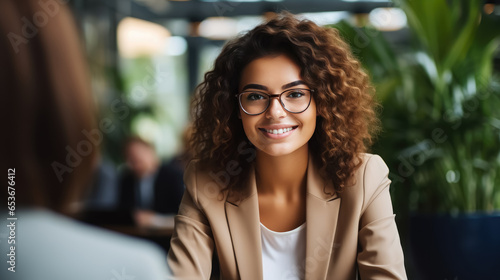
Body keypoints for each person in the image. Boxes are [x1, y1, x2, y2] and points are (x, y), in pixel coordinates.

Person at [167, 12, 407, 279]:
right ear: (235, 107)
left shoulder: (364, 178)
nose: (275, 112)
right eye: (256, 96)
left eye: (294, 94)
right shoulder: (207, 183)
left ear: (322, 102)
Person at [0, 1, 169, 279]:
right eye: (131, 156)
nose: (134, 162)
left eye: (139, 155)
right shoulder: (135, 268)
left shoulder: (169, 175)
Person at [118, 136, 184, 228]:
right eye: (129, 158)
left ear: (151, 152)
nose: (132, 163)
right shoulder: (127, 180)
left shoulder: (173, 176)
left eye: (136, 158)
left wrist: (154, 220)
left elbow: (184, 216)